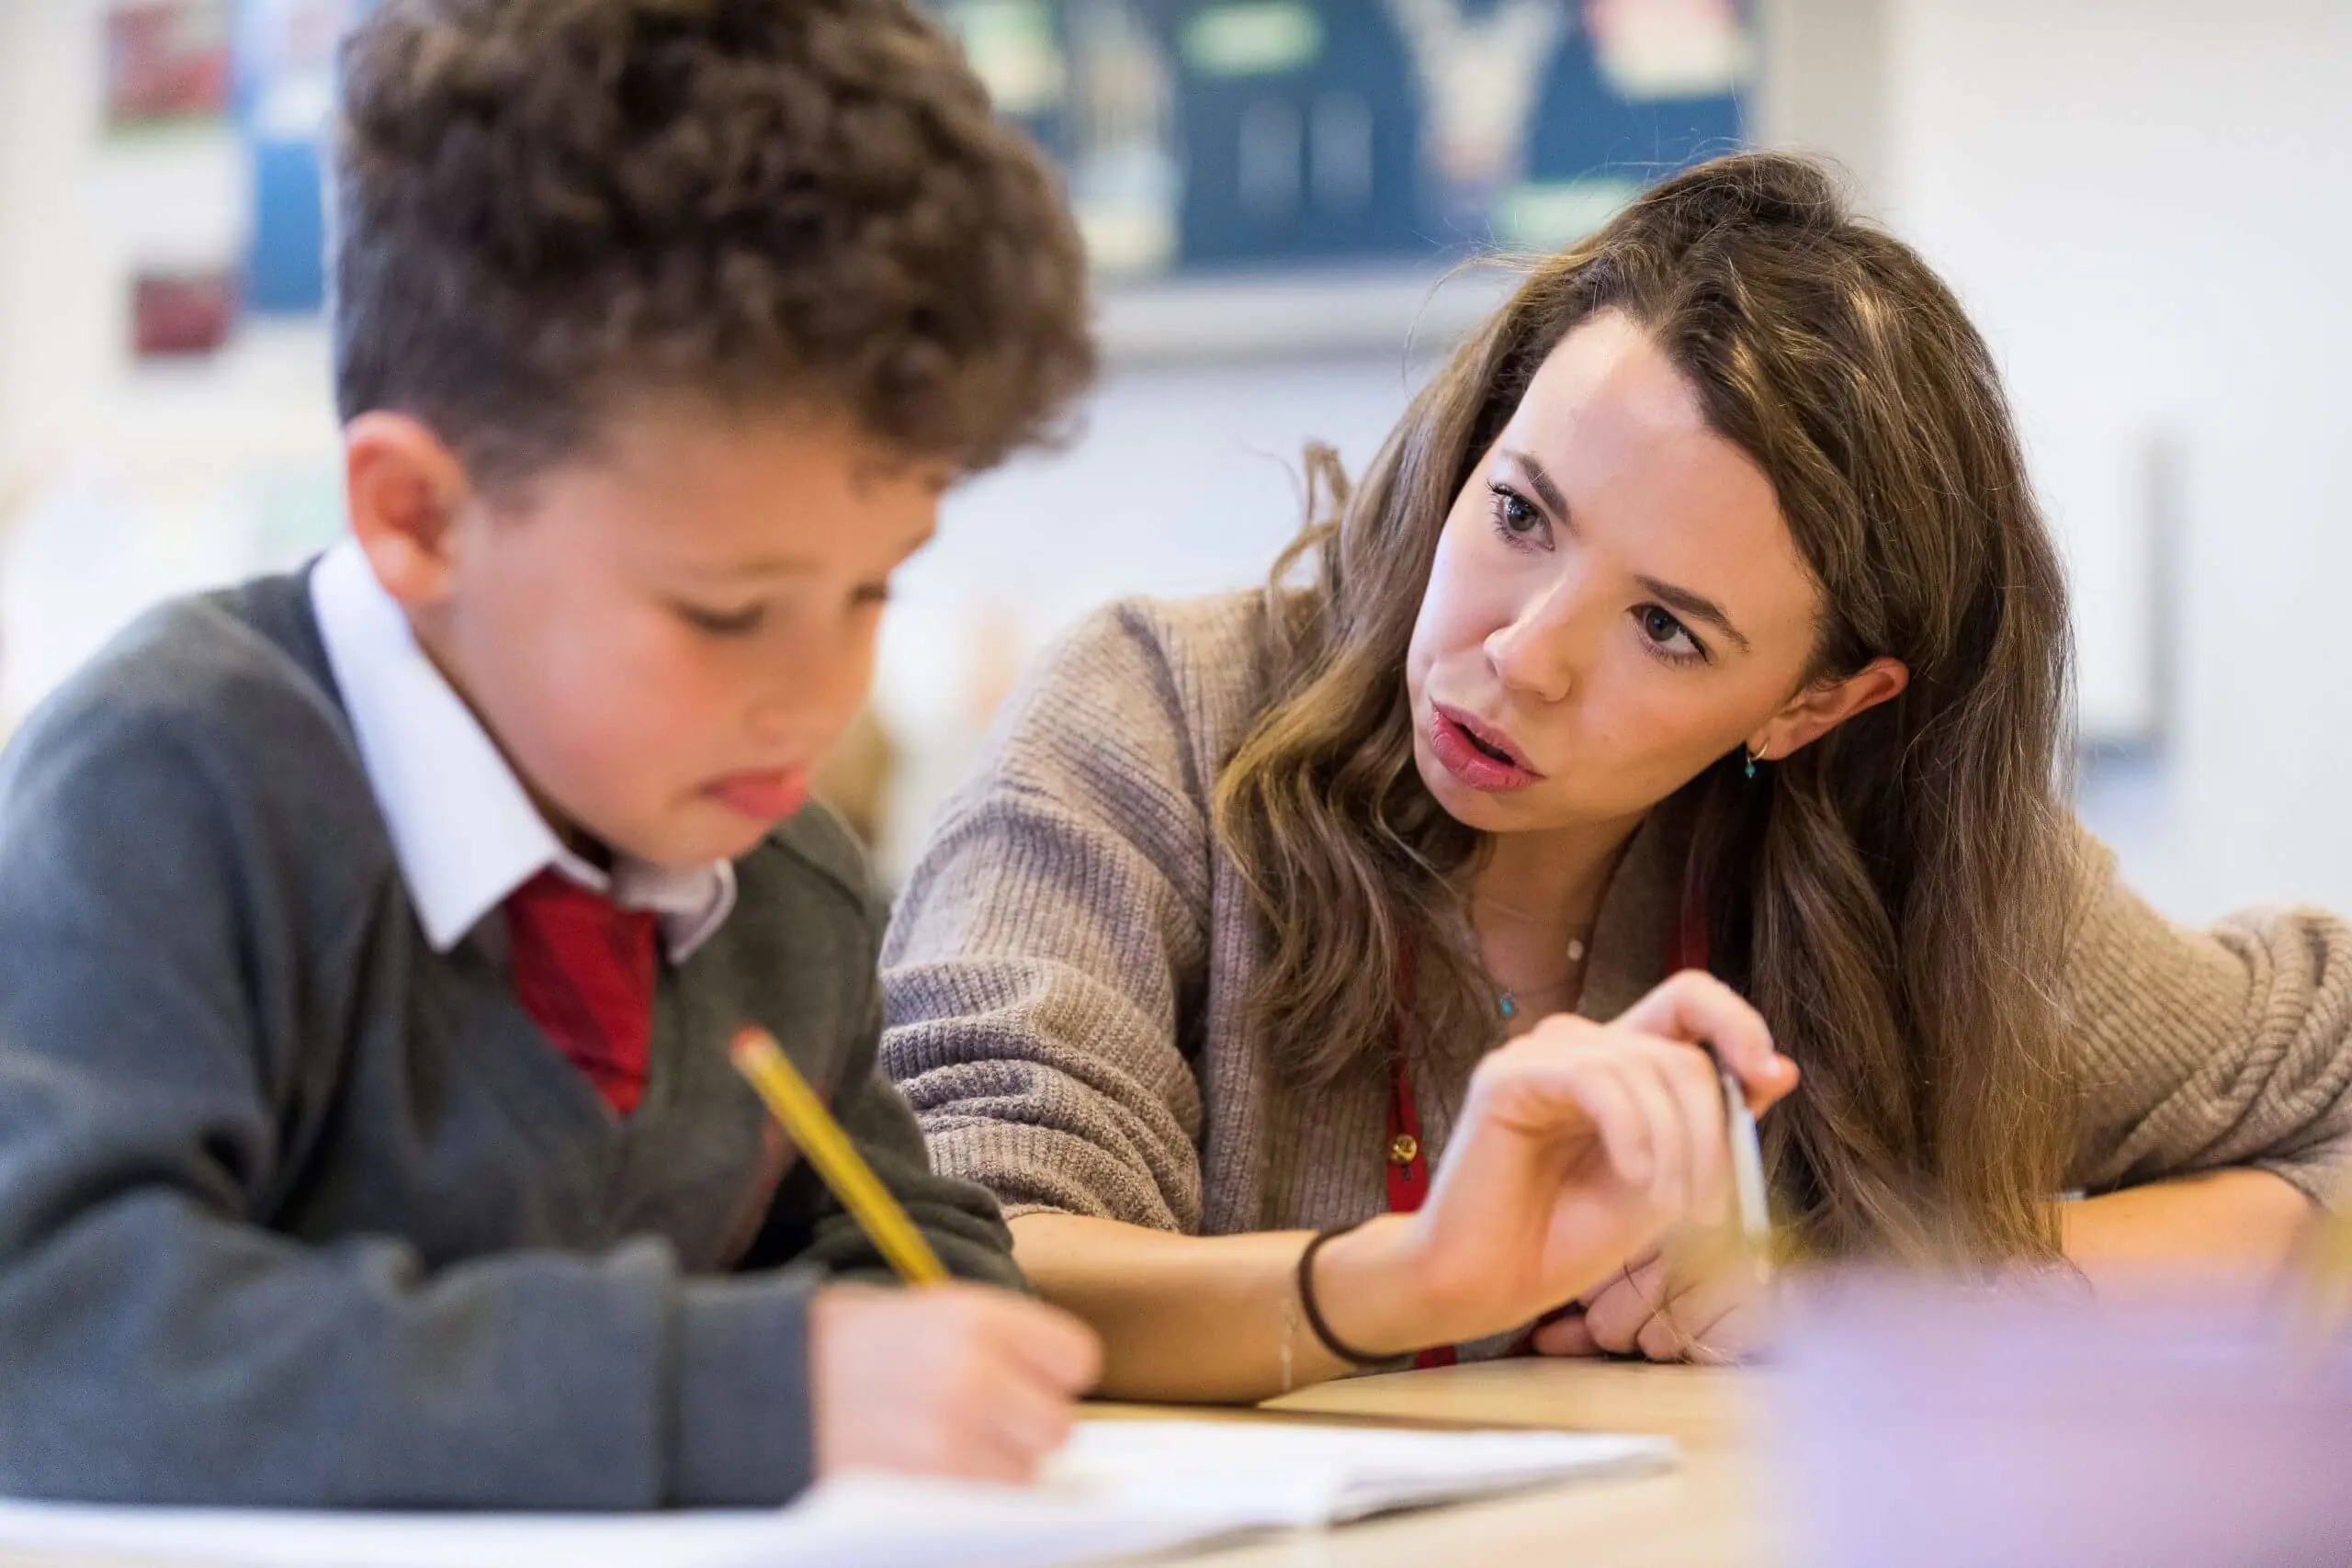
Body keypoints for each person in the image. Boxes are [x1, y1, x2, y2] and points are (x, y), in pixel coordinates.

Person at [879, 151, 2352, 1402]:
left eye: (1664, 626)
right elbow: (965, 1259)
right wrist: (1406, 1281)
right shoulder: (1155, 721)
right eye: (1520, 512)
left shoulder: (1887, 858)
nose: (1523, 654)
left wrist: (1892, 1295)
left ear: (1817, 700)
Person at [0, 0, 1102, 1506]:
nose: (817, 691)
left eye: (873, 587)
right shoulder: (174, 782)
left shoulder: (781, 878)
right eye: (726, 611)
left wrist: (953, 1355)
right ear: (421, 519)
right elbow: (50, 1339)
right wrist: (739, 1390)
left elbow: (900, 1253)